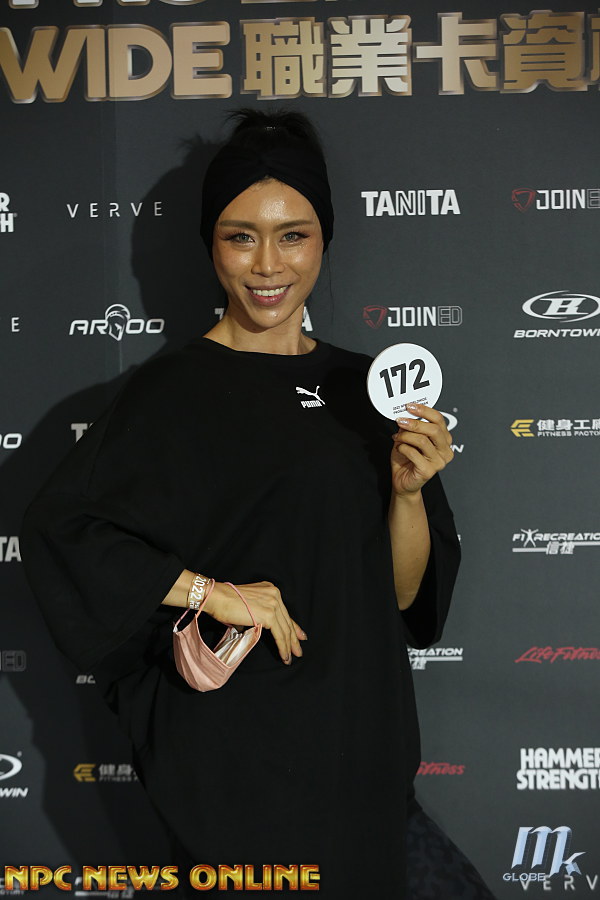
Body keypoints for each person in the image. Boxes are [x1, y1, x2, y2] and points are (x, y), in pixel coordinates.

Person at [20, 109, 495, 899]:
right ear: (211, 245)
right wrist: (211, 593)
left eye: (292, 235)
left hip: (363, 761)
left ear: (324, 239)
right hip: (242, 779)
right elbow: (60, 528)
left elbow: (403, 596)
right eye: (241, 236)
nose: (267, 264)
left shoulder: (369, 389)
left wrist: (408, 495)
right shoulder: (170, 393)